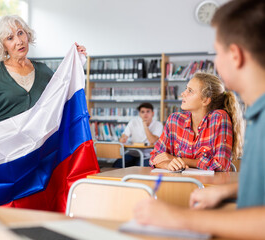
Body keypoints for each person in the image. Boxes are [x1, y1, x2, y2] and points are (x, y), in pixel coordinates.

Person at [134, 0, 265, 238]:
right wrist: (229, 191)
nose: (215, 62)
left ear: (235, 55)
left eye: (218, 51)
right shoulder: (258, 115)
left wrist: (177, 217)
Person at [149, 72, 243, 172]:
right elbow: (154, 157)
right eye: (186, 88)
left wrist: (179, 160)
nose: (183, 93)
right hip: (178, 184)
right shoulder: (175, 120)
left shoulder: (219, 118)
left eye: (190, 91)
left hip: (208, 186)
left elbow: (220, 165)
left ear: (205, 100)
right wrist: (168, 164)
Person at [113, 102, 163, 167]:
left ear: (152, 113)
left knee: (140, 167)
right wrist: (123, 138)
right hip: (133, 153)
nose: (145, 114)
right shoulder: (133, 122)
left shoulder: (158, 125)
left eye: (148, 111)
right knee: (117, 164)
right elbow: (124, 136)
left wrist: (145, 125)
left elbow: (152, 141)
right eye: (142, 112)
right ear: (139, 114)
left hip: (148, 155)